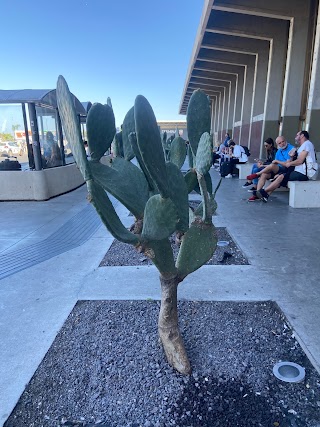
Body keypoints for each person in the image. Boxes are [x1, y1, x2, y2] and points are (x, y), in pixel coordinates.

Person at [256, 130, 317, 202]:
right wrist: (291, 157)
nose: (295, 137)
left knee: (281, 177)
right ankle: (265, 195)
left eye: (297, 135)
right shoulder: (302, 146)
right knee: (280, 176)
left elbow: (300, 161)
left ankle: (263, 192)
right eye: (279, 143)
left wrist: (289, 163)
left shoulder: (307, 144)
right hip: (299, 171)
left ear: (302, 136)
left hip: (304, 173)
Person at [247, 136, 295, 201]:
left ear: (285, 140)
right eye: (279, 143)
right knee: (264, 174)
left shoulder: (291, 149)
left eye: (283, 141)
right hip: (276, 169)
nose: (282, 144)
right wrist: (263, 165)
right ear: (278, 144)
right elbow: (273, 162)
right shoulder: (279, 151)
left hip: (285, 170)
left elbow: (287, 165)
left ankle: (257, 174)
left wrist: (277, 161)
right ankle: (257, 194)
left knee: (271, 166)